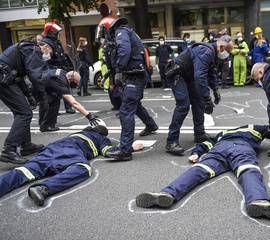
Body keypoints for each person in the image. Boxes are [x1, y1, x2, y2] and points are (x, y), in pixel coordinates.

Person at [136, 124, 270, 222]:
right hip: (241, 147)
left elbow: (206, 143)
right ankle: (259, 201)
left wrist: (197, 153)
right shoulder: (252, 127)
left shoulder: (221, 133)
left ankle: (167, 194)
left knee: (198, 170)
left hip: (220, 148)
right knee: (248, 171)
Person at [0, 124, 144, 206]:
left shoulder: (78, 133)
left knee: (24, 172)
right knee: (83, 168)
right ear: (103, 134)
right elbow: (109, 153)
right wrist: (131, 148)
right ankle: (44, 188)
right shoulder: (100, 138)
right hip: (69, 153)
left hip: (50, 149)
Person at [95, 16, 158, 161]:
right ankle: (151, 125)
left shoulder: (120, 32)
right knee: (133, 104)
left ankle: (125, 151)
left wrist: (119, 71)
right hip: (135, 75)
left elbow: (124, 51)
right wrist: (111, 74)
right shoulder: (123, 32)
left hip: (135, 76)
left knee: (126, 110)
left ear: (109, 27)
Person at [164, 35, 233, 154]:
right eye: (228, 51)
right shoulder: (206, 51)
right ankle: (171, 141)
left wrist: (215, 89)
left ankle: (199, 133)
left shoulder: (213, 53)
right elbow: (200, 76)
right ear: (221, 47)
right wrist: (207, 98)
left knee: (199, 102)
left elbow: (210, 71)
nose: (228, 54)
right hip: (178, 75)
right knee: (183, 104)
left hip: (189, 76)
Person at [0, 36, 49, 164]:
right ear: (42, 46)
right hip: (4, 79)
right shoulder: (34, 49)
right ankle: (8, 150)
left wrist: (29, 96)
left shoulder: (23, 48)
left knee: (22, 112)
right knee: (24, 113)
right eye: (47, 49)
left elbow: (19, 76)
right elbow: (34, 74)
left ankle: (26, 145)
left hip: (5, 78)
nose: (46, 52)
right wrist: (43, 95)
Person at [36, 44, 100, 132]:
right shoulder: (61, 83)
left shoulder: (64, 73)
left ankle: (44, 123)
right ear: (70, 79)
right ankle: (46, 126)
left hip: (40, 84)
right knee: (52, 101)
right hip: (34, 87)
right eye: (76, 83)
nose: (76, 85)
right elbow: (74, 103)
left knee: (53, 100)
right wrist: (89, 115)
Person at [41, 22, 76, 114]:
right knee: (53, 91)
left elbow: (63, 55)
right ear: (50, 33)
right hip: (52, 70)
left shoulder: (57, 42)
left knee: (65, 88)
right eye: (56, 32)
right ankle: (53, 108)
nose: (58, 34)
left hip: (61, 68)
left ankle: (68, 107)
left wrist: (68, 66)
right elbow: (44, 59)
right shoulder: (46, 43)